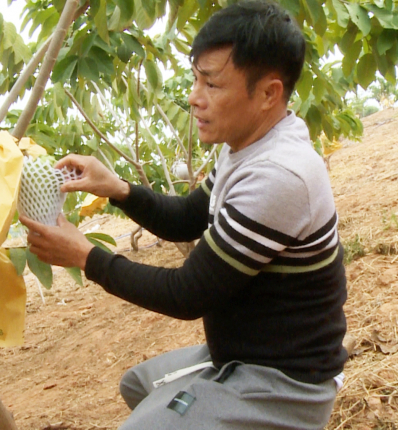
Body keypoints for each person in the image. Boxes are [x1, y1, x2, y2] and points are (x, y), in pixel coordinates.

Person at [19, 1, 348, 428]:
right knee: (136, 385)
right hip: (241, 354)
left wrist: (86, 257)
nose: (194, 98)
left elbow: (187, 294)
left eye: (211, 84)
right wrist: (117, 188)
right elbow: (188, 217)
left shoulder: (280, 176)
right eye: (196, 78)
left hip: (285, 379)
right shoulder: (247, 146)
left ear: (269, 93)